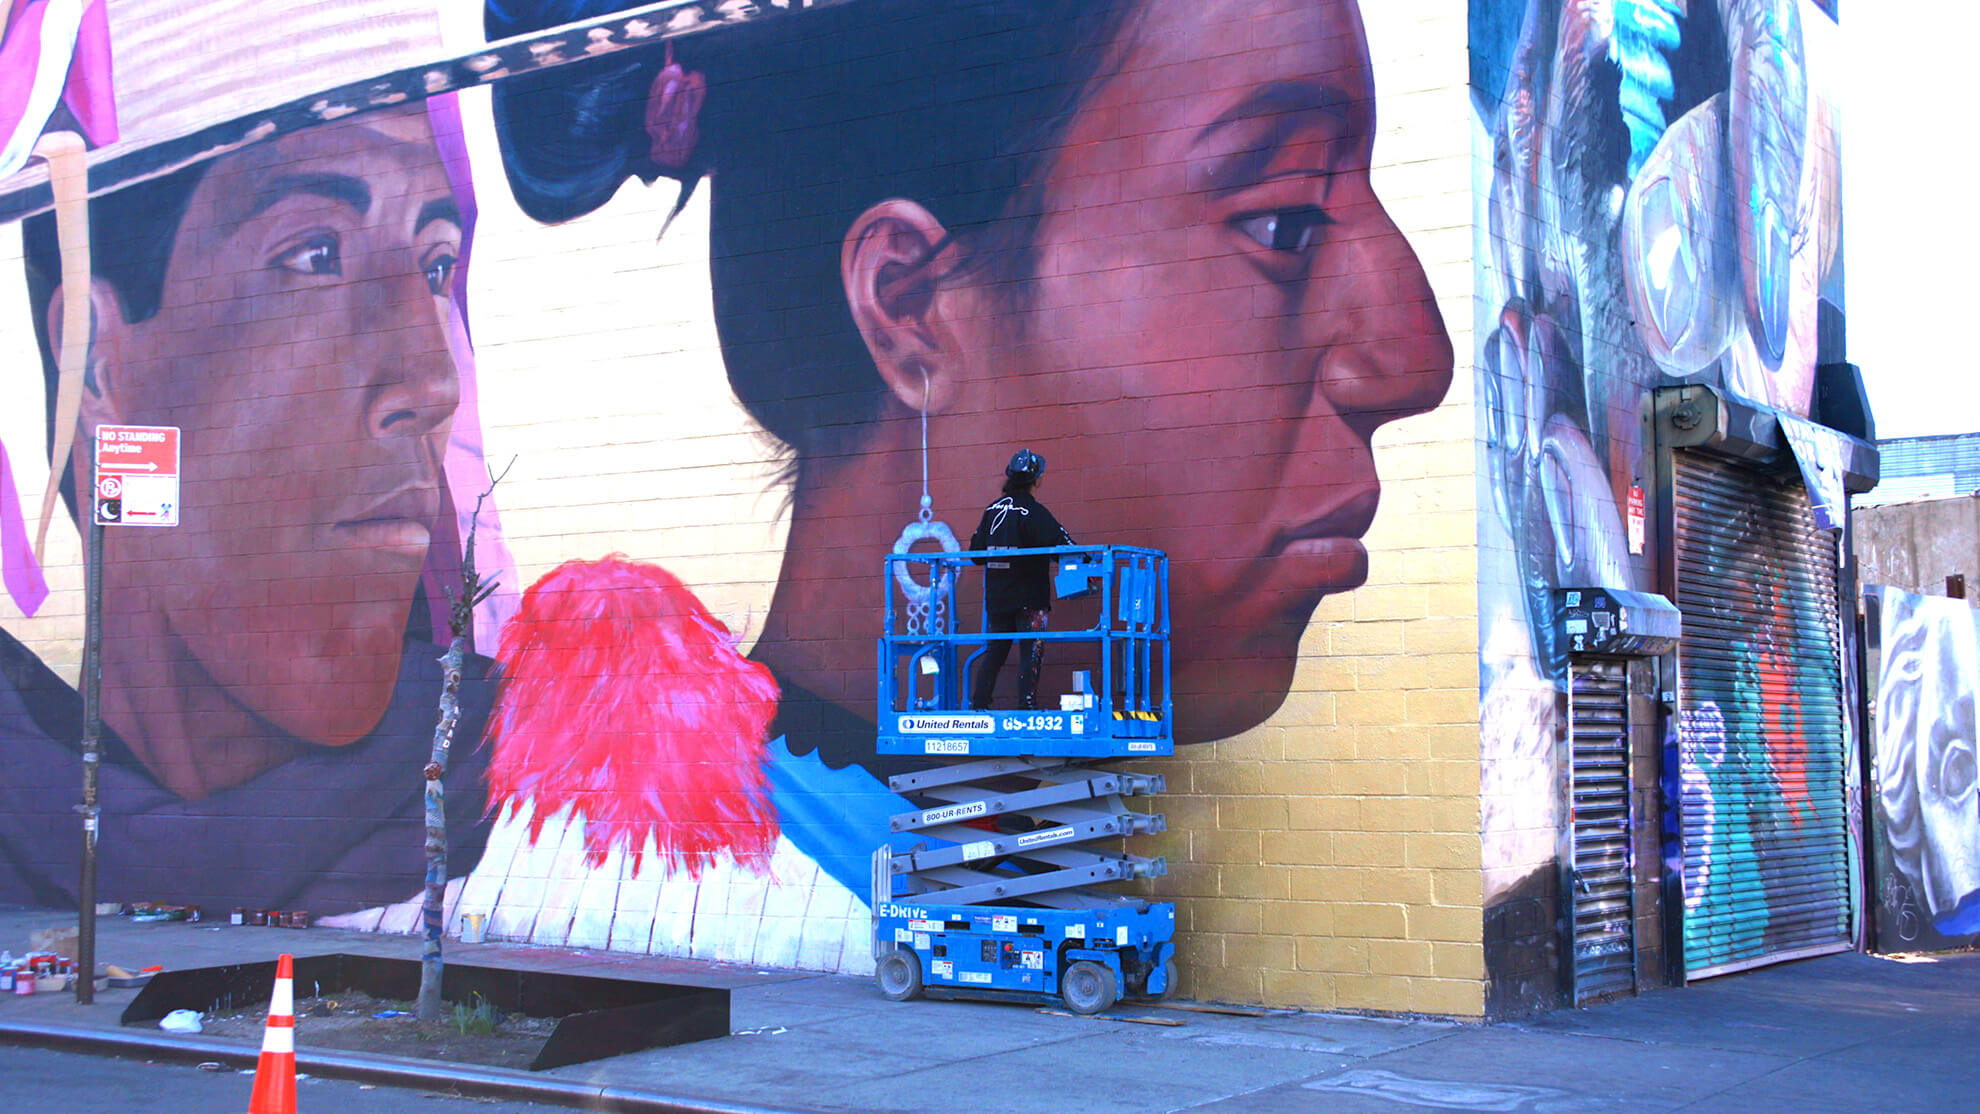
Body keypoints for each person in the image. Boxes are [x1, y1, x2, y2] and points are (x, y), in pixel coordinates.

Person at [483, 0, 1452, 968]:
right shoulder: (726, 907)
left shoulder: (960, 871)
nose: (1416, 358)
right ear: (911, 309)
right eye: (1283, 221)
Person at [0, 102, 498, 917]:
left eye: (436, 266)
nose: (433, 383)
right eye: (315, 253)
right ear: (95, 364)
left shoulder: (523, 778)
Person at [967, 449, 1074, 711]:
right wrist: (1089, 565)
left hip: (998, 598)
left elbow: (975, 555)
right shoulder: (1034, 512)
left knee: (995, 651)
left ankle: (979, 706)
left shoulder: (992, 510)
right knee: (1031, 652)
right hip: (1029, 596)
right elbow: (1064, 546)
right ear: (1037, 480)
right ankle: (1027, 708)